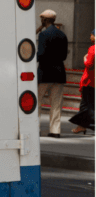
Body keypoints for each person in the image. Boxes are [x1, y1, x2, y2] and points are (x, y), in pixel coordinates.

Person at [36, 9, 69, 138]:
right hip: (59, 73)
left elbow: (41, 54)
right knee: (56, 104)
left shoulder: (43, 34)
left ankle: (35, 127)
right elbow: (64, 56)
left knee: (37, 102)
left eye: (42, 19)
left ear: (44, 20)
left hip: (45, 73)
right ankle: (55, 130)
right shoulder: (62, 35)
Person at [69, 30, 94, 134]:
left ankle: (83, 125)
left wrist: (85, 59)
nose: (90, 37)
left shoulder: (93, 48)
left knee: (85, 105)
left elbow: (89, 64)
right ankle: (81, 126)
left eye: (91, 35)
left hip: (90, 81)